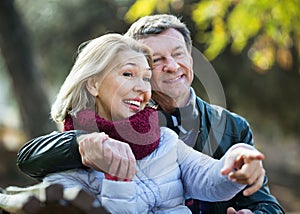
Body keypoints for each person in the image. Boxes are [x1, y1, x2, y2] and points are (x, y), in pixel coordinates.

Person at [17, 15, 284, 213]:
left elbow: (248, 194)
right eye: (156, 61)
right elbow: (30, 158)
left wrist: (238, 161)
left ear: (190, 58)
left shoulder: (226, 127)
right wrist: (82, 146)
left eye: (178, 54)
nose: (171, 66)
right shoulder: (81, 144)